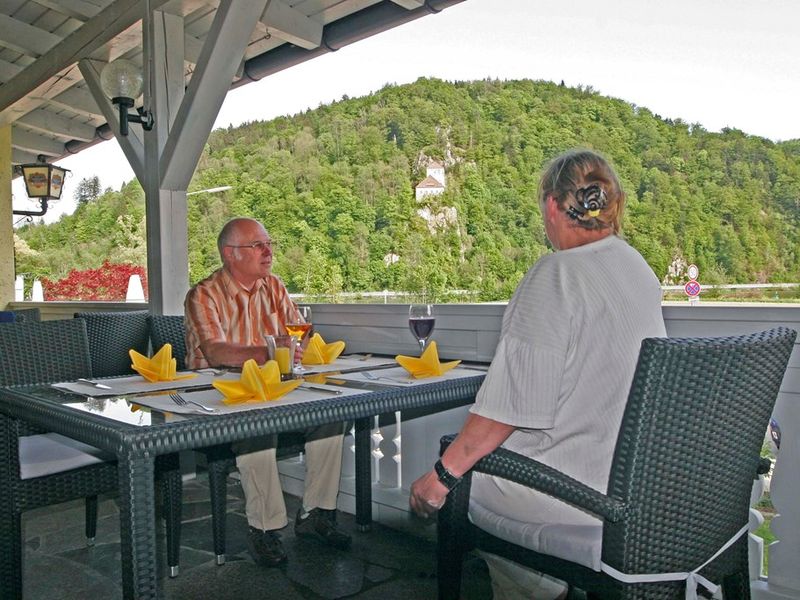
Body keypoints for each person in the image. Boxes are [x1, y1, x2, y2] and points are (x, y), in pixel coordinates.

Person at [409, 149, 666, 599]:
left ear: (551, 206)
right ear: (609, 203)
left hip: (579, 496)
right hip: (638, 485)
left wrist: (439, 478)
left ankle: (540, 586)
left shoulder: (556, 274)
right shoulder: (637, 269)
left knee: (467, 483)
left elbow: (507, 408)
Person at [185, 217, 351, 567]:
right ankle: (265, 528)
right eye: (258, 245)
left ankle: (317, 514)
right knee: (255, 428)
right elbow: (214, 351)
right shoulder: (203, 294)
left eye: (269, 243)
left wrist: (298, 345)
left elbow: (297, 334)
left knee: (332, 416)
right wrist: (268, 352)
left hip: (274, 386)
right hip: (218, 396)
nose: (268, 251)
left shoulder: (274, 286)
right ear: (231, 254)